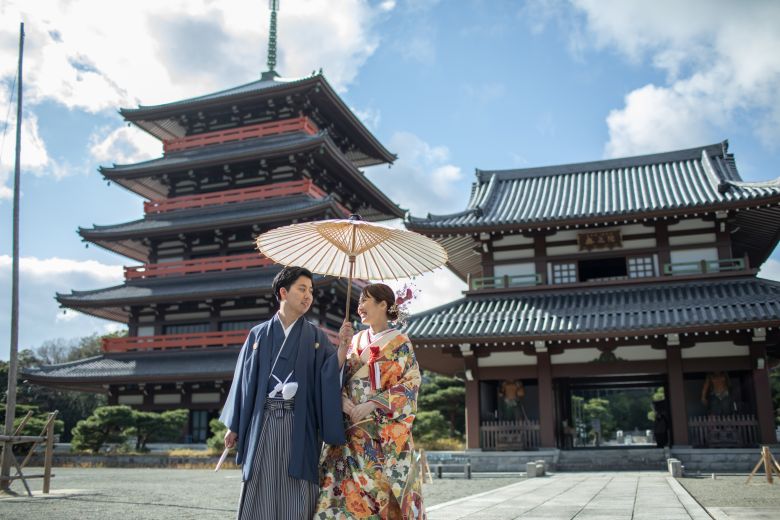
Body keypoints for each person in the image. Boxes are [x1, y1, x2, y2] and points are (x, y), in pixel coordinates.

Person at [219, 266, 350, 519]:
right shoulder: (258, 334)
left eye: (311, 291)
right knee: (261, 477)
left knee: (297, 482)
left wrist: (342, 348)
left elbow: (328, 374)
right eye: (302, 289)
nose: (308, 296)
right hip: (264, 421)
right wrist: (234, 426)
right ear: (283, 292)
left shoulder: (316, 336)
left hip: (299, 422)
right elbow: (243, 382)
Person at [316, 283, 425, 519]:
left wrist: (373, 403)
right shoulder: (354, 340)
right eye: (358, 302)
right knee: (344, 497)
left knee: (381, 496)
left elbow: (411, 383)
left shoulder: (400, 342)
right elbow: (339, 377)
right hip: (349, 432)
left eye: (365, 300)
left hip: (380, 435)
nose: (359, 307)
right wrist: (341, 399)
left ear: (383, 304)